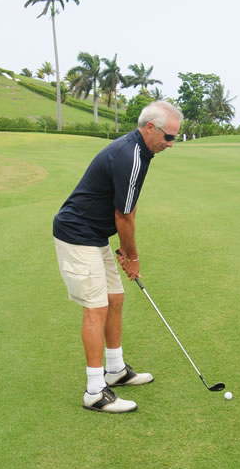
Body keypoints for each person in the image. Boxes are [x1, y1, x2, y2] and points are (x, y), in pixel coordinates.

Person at [53, 101, 183, 414]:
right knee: (96, 307)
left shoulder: (143, 152)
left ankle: (115, 370)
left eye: (174, 138)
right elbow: (122, 216)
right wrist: (132, 257)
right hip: (77, 233)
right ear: (150, 128)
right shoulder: (129, 154)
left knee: (115, 297)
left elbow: (129, 204)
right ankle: (94, 391)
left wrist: (126, 251)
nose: (170, 144)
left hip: (95, 235)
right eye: (168, 137)